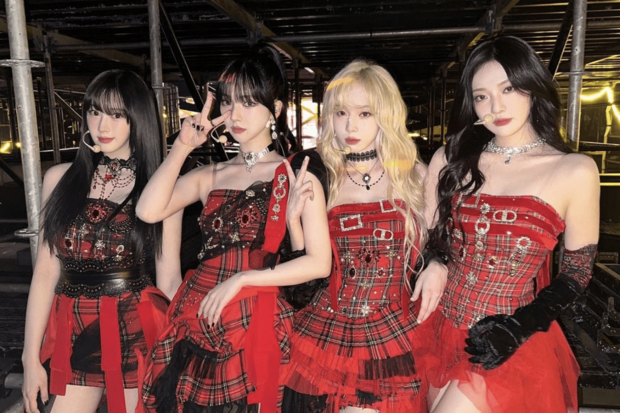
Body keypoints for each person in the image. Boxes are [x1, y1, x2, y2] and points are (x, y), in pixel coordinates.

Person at [136, 45, 331, 413]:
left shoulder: (295, 173)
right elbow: (148, 211)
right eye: (228, 102)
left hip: (260, 314)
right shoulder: (210, 175)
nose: (235, 114)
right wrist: (182, 147)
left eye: (249, 103)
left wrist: (242, 279)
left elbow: (320, 263)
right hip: (201, 314)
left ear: (275, 110)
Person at [423, 35, 599, 413]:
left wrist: (519, 327)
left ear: (532, 87)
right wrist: (435, 260)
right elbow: (430, 236)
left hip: (511, 336)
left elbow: (577, 272)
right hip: (440, 329)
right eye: (482, 96)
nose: (496, 106)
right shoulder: (449, 159)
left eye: (508, 89)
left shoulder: (574, 170)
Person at [281, 60, 447, 413]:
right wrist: (293, 224)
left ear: (386, 115)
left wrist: (438, 263)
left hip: (399, 328)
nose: (350, 126)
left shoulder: (416, 175)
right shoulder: (322, 176)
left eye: (365, 113)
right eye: (341, 113)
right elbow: (306, 280)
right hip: (330, 331)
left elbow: (439, 242)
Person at [21, 69, 183, 413]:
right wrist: (29, 358)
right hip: (72, 325)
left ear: (137, 118)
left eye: (117, 114)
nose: (102, 125)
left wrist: (177, 352)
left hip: (133, 325)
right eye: (95, 112)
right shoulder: (60, 178)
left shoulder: (160, 187)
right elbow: (45, 273)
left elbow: (169, 280)